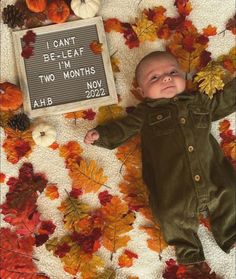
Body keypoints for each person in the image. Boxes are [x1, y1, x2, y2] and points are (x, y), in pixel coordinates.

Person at [84, 51, 236, 272]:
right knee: (169, 214)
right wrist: (102, 136)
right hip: (174, 188)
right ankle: (190, 254)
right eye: (154, 78)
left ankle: (231, 233)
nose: (166, 78)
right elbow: (123, 128)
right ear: (142, 91)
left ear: (184, 77)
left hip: (213, 173)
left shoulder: (199, 102)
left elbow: (223, 101)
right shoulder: (144, 114)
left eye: (173, 72)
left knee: (230, 193)